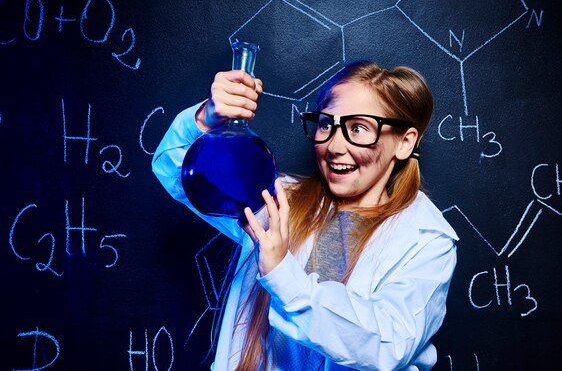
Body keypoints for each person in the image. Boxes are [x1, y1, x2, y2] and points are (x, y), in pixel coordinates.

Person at [152, 61, 458, 370]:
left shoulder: (426, 239)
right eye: (326, 124)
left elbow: (387, 345)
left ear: (404, 143)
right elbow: (176, 170)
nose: (335, 146)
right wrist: (206, 118)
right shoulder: (280, 201)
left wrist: (282, 273)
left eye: (358, 128)